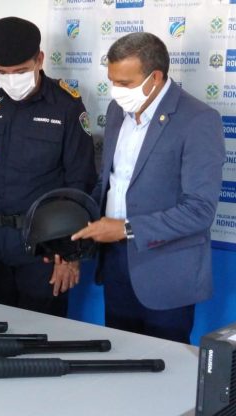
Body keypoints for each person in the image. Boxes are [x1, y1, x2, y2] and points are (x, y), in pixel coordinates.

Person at [71, 32, 225, 343]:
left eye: (124, 83)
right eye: (112, 81)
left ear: (155, 77)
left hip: (166, 272)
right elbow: (110, 181)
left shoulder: (199, 120)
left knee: (165, 364)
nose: (116, 91)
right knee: (120, 356)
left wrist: (126, 228)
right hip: (115, 263)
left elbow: (199, 210)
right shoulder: (116, 111)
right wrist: (76, 221)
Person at [0, 17, 96, 317]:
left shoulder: (65, 106)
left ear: (39, 59)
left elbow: (80, 182)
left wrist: (69, 252)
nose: (11, 80)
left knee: (42, 331)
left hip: (44, 246)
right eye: (3, 72)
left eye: (21, 71)